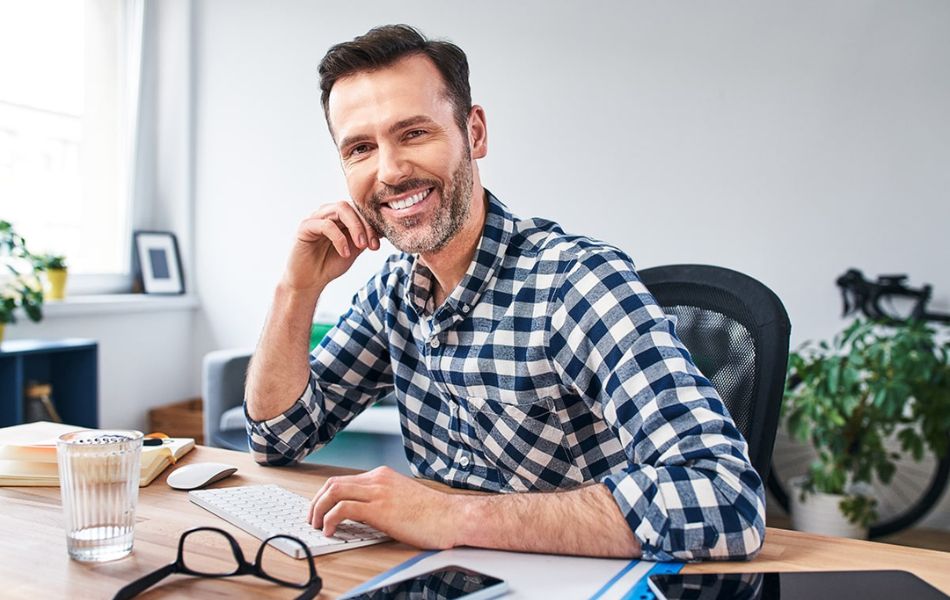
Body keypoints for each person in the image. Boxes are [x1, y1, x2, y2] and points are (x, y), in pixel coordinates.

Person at [244, 24, 765, 562]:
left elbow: (726, 499)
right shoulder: (395, 292)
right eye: (360, 148)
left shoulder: (575, 282)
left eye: (414, 133)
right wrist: (295, 289)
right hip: (455, 574)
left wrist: (450, 516)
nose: (391, 170)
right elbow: (277, 437)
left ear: (475, 132)